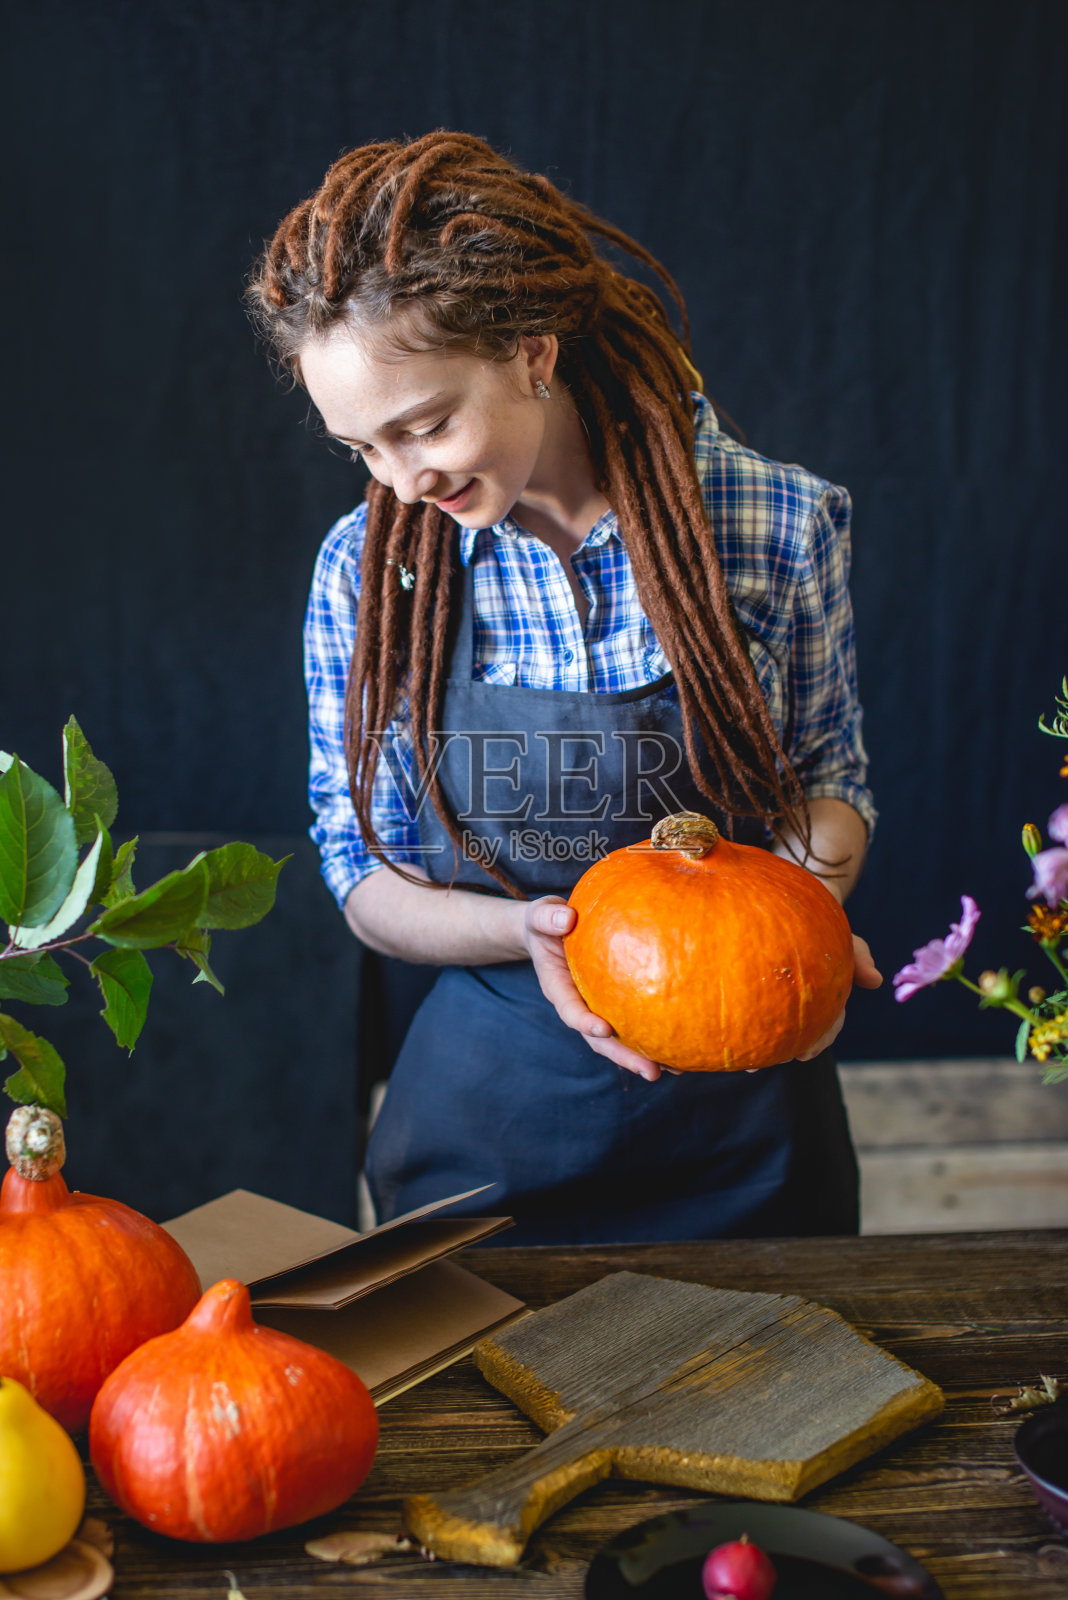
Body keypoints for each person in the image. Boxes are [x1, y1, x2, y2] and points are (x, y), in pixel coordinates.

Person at [248, 130, 882, 1245]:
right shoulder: (366, 570)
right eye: (362, 448)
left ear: (533, 353)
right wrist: (537, 930)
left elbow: (828, 781)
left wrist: (801, 924)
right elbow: (358, 868)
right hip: (491, 1144)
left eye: (426, 425)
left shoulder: (775, 524)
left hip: (748, 1134)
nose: (403, 480)